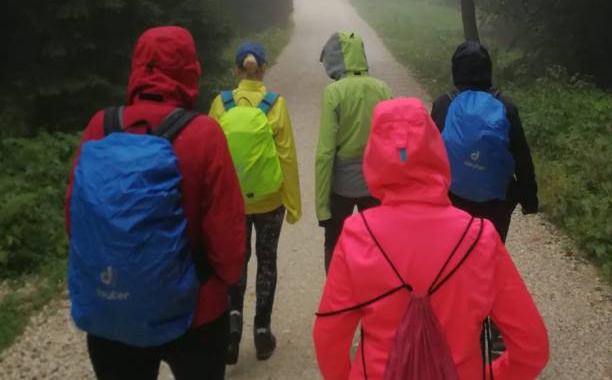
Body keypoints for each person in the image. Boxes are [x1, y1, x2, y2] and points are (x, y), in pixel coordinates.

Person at [314, 98, 549, 380]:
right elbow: (532, 347)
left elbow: (328, 337)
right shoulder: (479, 238)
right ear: (436, 149)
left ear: (373, 156)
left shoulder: (357, 234)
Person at [65, 26, 246, 380]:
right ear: (189, 69)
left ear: (136, 67)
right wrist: (223, 281)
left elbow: (76, 218)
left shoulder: (100, 126)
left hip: (112, 313)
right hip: (195, 314)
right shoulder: (204, 133)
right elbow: (228, 240)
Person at [209, 41, 302, 364]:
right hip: (268, 200)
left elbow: (212, 156)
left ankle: (232, 321)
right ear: (263, 69)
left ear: (237, 71)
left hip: (232, 201)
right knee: (266, 261)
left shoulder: (220, 104)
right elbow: (287, 157)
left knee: (236, 259)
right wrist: (292, 202)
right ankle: (262, 332)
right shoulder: (275, 104)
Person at [430, 41, 539, 243]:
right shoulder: (505, 106)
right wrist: (529, 200)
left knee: (453, 252)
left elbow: (428, 155)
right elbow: (521, 156)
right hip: (495, 204)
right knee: (490, 253)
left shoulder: (443, 104)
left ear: (455, 69)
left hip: (452, 199)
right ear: (488, 69)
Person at [315, 31, 392, 272]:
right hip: (375, 184)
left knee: (335, 245)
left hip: (341, 188)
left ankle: (337, 304)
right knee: (377, 246)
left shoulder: (334, 92)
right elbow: (392, 140)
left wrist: (322, 206)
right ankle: (376, 300)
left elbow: (325, 153)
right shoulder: (382, 89)